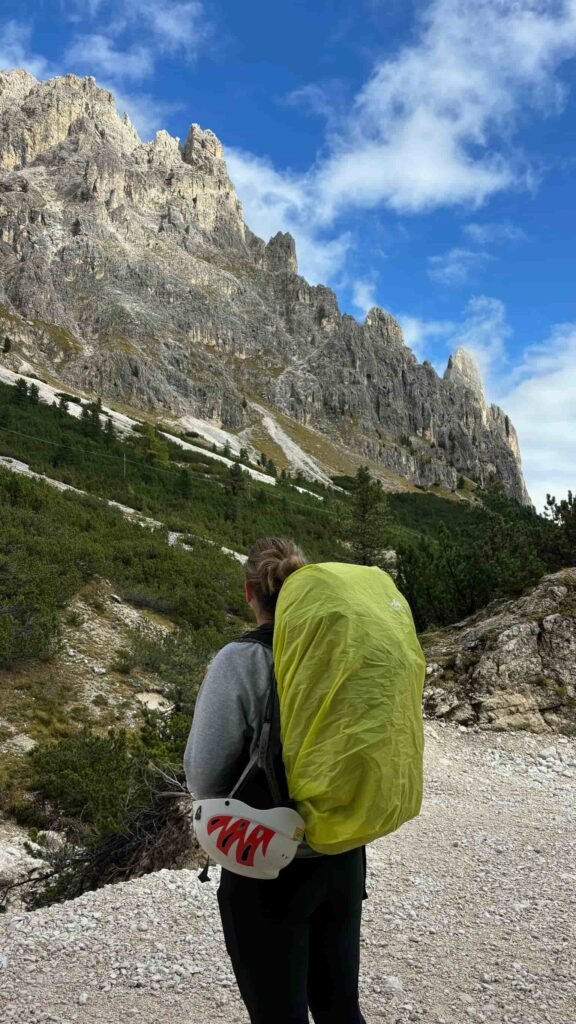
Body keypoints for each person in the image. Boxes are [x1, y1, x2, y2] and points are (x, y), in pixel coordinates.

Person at [184, 536, 367, 1024]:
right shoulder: (338, 653)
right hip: (343, 854)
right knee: (340, 1010)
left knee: (278, 1015)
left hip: (266, 861)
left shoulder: (240, 661)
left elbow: (202, 777)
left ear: (249, 593)